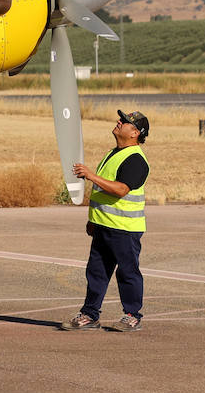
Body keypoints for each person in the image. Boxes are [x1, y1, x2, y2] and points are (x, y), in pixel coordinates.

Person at [61, 109, 151, 332]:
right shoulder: (113, 153)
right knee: (96, 272)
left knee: (127, 272)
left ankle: (132, 315)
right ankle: (89, 314)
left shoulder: (136, 160)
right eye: (121, 119)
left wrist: (90, 175)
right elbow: (101, 191)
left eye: (126, 122)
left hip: (125, 229)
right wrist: (93, 220)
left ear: (135, 133)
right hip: (103, 226)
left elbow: (121, 189)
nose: (119, 122)